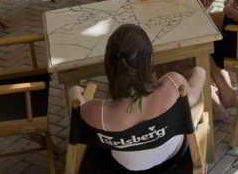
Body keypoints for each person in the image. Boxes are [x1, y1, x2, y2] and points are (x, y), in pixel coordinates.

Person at [69, 24, 206, 173]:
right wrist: (199, 71)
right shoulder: (173, 85)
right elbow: (193, 96)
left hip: (126, 168)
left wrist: (74, 92)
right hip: (174, 160)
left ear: (109, 65)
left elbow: (78, 108)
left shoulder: (97, 113)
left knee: (94, 150)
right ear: (150, 60)